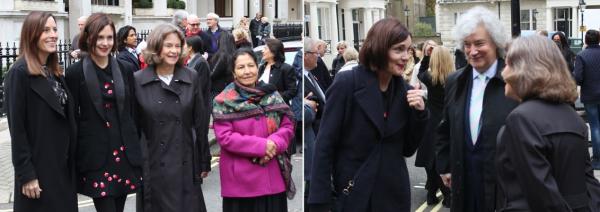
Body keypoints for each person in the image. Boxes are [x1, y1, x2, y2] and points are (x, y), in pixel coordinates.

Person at [308, 18, 428, 212]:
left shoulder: (405, 92)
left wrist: (420, 114)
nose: (406, 56)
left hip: (393, 197)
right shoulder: (347, 83)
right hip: (353, 195)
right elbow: (325, 145)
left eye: (408, 50)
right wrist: (320, 201)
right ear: (379, 49)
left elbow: (407, 149)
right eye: (398, 49)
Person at [497, 35, 600, 211]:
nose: (503, 73)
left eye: (507, 65)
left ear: (523, 69)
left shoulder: (522, 120)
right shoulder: (572, 116)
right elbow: (589, 184)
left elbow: (543, 197)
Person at [435, 6, 518, 212]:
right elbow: (445, 127)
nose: (472, 51)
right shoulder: (456, 80)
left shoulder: (513, 79)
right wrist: (445, 166)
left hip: (503, 186)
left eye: (479, 43)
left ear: (496, 43)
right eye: (467, 45)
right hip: (464, 182)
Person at [64, 13, 142, 212]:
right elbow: (71, 118)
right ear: (88, 38)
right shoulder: (75, 73)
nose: (105, 43)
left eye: (109, 37)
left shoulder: (125, 69)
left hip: (124, 153)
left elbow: (132, 112)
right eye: (100, 37)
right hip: (96, 156)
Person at [134, 23, 211, 212]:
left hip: (185, 161)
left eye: (178, 46)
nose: (174, 51)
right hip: (153, 163)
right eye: (168, 45)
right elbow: (135, 128)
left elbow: (200, 122)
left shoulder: (191, 76)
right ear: (156, 47)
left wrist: (203, 160)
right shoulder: (138, 79)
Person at [6, 11, 78, 212]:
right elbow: (17, 130)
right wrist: (26, 175)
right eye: (45, 30)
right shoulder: (19, 73)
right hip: (39, 172)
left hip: (62, 169)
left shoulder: (53, 72)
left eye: (54, 29)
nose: (53, 34)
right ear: (32, 34)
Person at [213, 48, 295, 212]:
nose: (247, 71)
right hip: (241, 183)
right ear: (234, 72)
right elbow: (225, 137)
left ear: (258, 67)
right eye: (241, 67)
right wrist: (262, 146)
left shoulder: (272, 94)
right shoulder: (223, 100)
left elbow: (288, 124)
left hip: (273, 178)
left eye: (251, 65)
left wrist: (275, 143)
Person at [415, 45, 454, 206]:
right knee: (441, 158)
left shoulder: (431, 79)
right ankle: (445, 194)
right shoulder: (454, 79)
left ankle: (433, 193)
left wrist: (425, 55)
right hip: (448, 121)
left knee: (430, 159)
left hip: (431, 122)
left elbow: (420, 72)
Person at [574, 29, 600, 169]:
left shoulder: (582, 56)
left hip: (590, 95)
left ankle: (597, 159)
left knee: (595, 126)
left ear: (586, 40)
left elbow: (578, 77)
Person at [258, 38, 297, 103]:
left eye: (265, 48)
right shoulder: (261, 68)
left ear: (273, 51)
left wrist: (274, 98)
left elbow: (292, 91)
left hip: (279, 108)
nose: (262, 51)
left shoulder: (286, 68)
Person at [185, 35, 212, 115]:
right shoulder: (193, 61)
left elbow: (200, 86)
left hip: (201, 106)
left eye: (184, 45)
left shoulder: (201, 62)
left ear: (190, 48)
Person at [209, 32, 236, 100]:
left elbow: (213, 74)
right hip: (229, 89)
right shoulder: (234, 54)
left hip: (218, 90)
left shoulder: (223, 56)